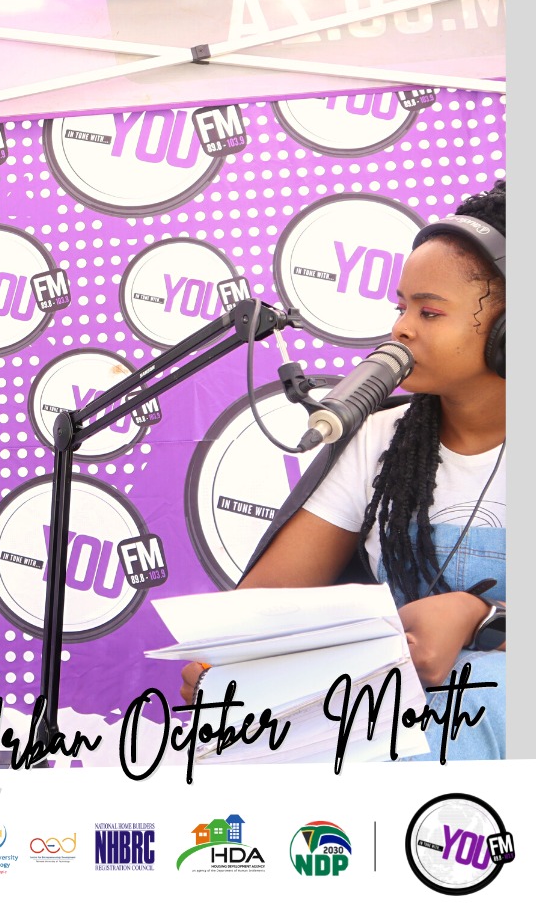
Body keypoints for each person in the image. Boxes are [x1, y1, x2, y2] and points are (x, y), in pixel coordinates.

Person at [180, 181, 507, 759]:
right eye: (401, 307)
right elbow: (265, 606)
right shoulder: (380, 439)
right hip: (387, 737)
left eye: (430, 311)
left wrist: (486, 618)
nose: (401, 328)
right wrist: (227, 658)